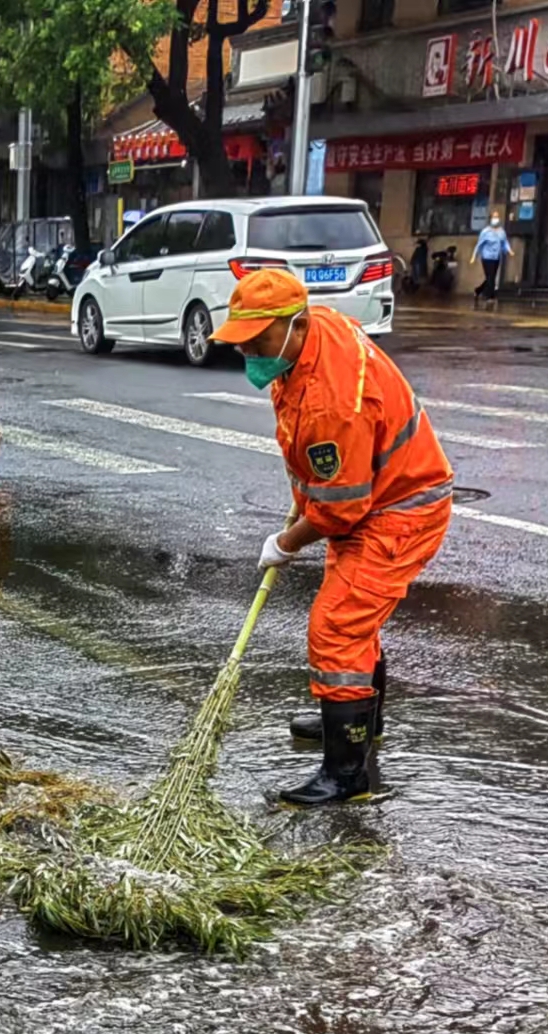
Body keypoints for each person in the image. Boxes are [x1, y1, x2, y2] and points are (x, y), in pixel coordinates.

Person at [211, 268, 453, 807]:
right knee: (354, 618)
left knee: (338, 625)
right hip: (371, 495)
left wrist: (287, 541)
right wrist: (307, 499)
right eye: (242, 340)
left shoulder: (333, 401)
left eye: (258, 340)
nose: (247, 351)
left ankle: (346, 774)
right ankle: (357, 723)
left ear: (296, 326)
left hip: (397, 510)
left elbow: (341, 509)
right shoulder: (314, 335)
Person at [471, 212, 512, 306]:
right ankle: (489, 296)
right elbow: (479, 244)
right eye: (494, 217)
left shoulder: (501, 231)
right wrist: (474, 256)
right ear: (490, 219)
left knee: (491, 276)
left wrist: (509, 250)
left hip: (496, 257)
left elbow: (505, 242)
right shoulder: (485, 232)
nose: (496, 219)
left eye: (497, 217)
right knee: (490, 277)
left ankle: (478, 290)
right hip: (487, 257)